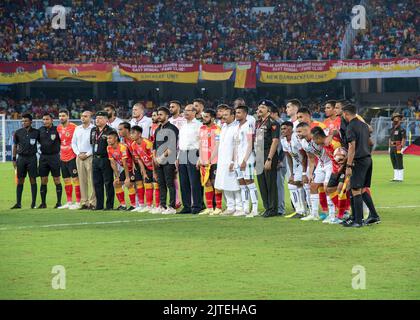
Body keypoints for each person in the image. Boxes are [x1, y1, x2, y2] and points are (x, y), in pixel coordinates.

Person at [342, 104, 380, 228]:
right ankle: (373, 215)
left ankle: (358, 221)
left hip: (358, 160)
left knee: (355, 190)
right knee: (362, 189)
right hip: (368, 159)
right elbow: (370, 142)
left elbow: (351, 147)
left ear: (346, 114)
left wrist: (348, 165)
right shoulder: (365, 126)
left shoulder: (350, 127)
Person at [254, 100, 280, 218]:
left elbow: (275, 141)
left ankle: (273, 209)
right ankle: (267, 207)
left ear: (269, 110)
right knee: (261, 182)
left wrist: (269, 159)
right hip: (259, 154)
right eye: (259, 107)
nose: (259, 109)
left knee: (270, 182)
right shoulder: (258, 122)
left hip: (267, 154)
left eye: (263, 107)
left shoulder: (273, 123)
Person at [232, 105, 258, 217]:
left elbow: (250, 144)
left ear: (245, 114)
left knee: (250, 183)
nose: (236, 114)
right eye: (236, 112)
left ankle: (255, 209)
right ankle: (246, 208)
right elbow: (236, 145)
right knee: (242, 184)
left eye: (239, 112)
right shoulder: (237, 127)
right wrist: (233, 161)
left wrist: (244, 160)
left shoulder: (249, 126)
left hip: (247, 159)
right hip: (238, 160)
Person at [177, 104, 203, 214]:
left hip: (194, 152)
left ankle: (197, 205)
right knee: (183, 182)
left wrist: (200, 157)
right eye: (185, 110)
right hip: (182, 153)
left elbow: (202, 142)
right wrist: (178, 157)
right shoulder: (183, 125)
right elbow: (180, 142)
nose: (185, 112)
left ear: (194, 112)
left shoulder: (199, 125)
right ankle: (187, 206)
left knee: (195, 181)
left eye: (188, 110)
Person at [214, 107, 241, 215]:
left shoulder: (236, 128)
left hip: (231, 160)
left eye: (226, 115)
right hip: (222, 160)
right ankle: (230, 206)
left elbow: (236, 146)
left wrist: (233, 161)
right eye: (223, 114)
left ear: (232, 116)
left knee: (235, 184)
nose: (223, 116)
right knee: (224, 183)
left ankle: (239, 207)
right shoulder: (223, 127)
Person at [153, 107, 179, 214]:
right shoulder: (158, 129)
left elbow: (172, 146)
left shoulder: (173, 128)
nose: (159, 116)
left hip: (168, 160)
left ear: (167, 116)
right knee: (161, 184)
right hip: (158, 161)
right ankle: (162, 205)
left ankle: (172, 207)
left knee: (170, 183)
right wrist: (155, 158)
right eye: (158, 114)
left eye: (161, 114)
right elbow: (154, 146)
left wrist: (161, 158)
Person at [11, 113, 39, 209]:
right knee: (20, 180)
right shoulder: (18, 132)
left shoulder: (36, 132)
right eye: (22, 121)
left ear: (31, 122)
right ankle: (18, 203)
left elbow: (43, 142)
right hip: (21, 159)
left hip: (32, 158)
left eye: (26, 121)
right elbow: (15, 146)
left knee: (33, 180)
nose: (24, 122)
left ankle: (33, 203)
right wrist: (14, 159)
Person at [197, 109, 223, 215]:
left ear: (212, 118)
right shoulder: (202, 128)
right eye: (204, 116)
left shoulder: (217, 129)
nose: (204, 118)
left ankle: (219, 207)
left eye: (206, 117)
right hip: (203, 160)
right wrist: (199, 158)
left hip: (214, 161)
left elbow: (217, 146)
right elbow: (200, 144)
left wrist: (210, 159)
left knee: (214, 183)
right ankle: (210, 207)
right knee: (206, 183)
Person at [90, 111, 116, 211]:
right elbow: (92, 143)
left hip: (106, 159)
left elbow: (114, 144)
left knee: (108, 182)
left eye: (100, 118)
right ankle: (99, 205)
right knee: (97, 183)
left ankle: (109, 205)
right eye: (96, 118)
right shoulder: (93, 130)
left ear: (106, 120)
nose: (97, 120)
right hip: (95, 159)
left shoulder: (110, 130)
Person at [280, 121, 306, 219]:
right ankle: (299, 210)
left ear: (291, 129)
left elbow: (304, 155)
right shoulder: (283, 141)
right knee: (292, 184)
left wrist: (303, 171)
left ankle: (303, 210)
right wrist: (291, 173)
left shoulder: (296, 138)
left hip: (304, 164)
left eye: (285, 129)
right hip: (296, 165)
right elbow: (289, 157)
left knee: (299, 185)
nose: (282, 131)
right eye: (282, 129)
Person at [71, 111, 96, 210]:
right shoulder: (77, 128)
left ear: (90, 118)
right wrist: (78, 153)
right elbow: (73, 143)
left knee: (92, 180)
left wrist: (87, 154)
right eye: (82, 116)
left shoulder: (94, 129)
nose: (83, 118)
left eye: (85, 116)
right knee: (82, 180)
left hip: (90, 156)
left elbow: (94, 144)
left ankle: (93, 202)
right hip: (79, 156)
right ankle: (85, 202)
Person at [130, 125, 158, 212]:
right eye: (131, 133)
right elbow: (139, 159)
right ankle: (149, 205)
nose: (131, 135)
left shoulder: (147, 143)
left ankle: (157, 206)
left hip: (155, 167)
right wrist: (144, 171)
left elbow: (153, 158)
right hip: (147, 167)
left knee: (156, 185)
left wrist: (154, 172)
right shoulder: (133, 145)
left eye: (133, 133)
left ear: (139, 134)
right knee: (147, 185)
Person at [57, 109, 81, 209]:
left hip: (72, 157)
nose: (61, 118)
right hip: (62, 157)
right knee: (66, 180)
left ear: (68, 116)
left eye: (63, 115)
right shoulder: (58, 128)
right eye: (60, 116)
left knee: (76, 179)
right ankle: (69, 201)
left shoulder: (74, 127)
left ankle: (79, 201)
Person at [107, 131, 136, 211]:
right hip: (126, 168)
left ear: (116, 138)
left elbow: (125, 163)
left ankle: (134, 205)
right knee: (116, 183)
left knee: (128, 183)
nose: (108, 140)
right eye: (107, 138)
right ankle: (122, 205)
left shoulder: (122, 147)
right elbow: (113, 163)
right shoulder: (108, 148)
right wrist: (117, 177)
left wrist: (127, 178)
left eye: (110, 138)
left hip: (133, 167)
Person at [38, 113, 62, 209]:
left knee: (56, 180)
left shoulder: (57, 130)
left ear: (52, 120)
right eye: (43, 119)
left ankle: (59, 203)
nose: (45, 121)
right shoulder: (40, 130)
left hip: (54, 157)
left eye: (47, 119)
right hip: (43, 158)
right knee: (43, 180)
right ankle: (43, 203)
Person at [118, 121, 144, 209]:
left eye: (121, 129)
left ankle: (142, 204)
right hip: (133, 164)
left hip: (141, 163)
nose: (119, 131)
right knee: (131, 183)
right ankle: (136, 204)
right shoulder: (125, 140)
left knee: (140, 183)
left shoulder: (133, 139)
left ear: (127, 130)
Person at [168, 100, 185, 209]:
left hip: (182, 151)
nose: (171, 108)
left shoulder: (184, 120)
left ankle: (191, 200)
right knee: (173, 176)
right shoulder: (168, 121)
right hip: (171, 152)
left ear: (178, 108)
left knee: (185, 177)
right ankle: (177, 200)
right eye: (170, 107)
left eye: (173, 106)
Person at [271, 105, 287, 216]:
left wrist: (280, 159)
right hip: (274, 158)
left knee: (279, 184)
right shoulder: (272, 125)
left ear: (275, 113)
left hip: (281, 158)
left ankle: (281, 209)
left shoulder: (282, 125)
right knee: (274, 184)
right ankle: (275, 207)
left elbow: (283, 145)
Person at [389, 113, 406, 182]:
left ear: (399, 120)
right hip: (392, 147)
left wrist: (402, 147)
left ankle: (400, 178)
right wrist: (389, 147)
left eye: (397, 118)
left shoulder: (402, 129)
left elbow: (403, 138)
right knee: (393, 161)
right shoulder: (391, 129)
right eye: (394, 118)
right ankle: (396, 177)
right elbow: (390, 138)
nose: (396, 119)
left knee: (399, 161)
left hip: (398, 146)